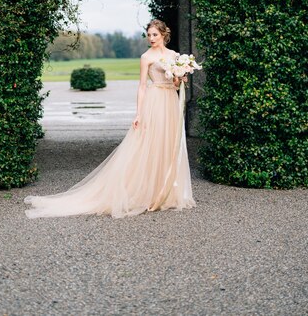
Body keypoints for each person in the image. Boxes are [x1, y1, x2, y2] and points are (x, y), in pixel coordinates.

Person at [24, 19, 196, 219]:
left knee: (168, 143)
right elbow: (142, 86)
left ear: (164, 34)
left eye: (155, 35)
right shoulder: (146, 57)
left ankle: (167, 192)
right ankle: (148, 193)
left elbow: (175, 85)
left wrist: (180, 76)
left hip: (170, 101)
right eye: (149, 35)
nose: (151, 38)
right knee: (149, 143)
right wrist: (139, 113)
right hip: (154, 100)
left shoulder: (174, 56)